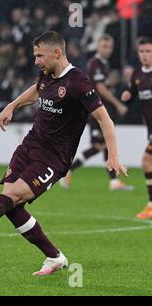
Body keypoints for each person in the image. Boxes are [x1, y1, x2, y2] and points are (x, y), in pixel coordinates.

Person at [0, 31, 128, 276]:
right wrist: (12, 105)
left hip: (53, 158)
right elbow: (37, 90)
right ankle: (54, 257)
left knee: (8, 200)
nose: (36, 61)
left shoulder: (78, 82)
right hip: (28, 146)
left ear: (57, 53)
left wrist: (113, 155)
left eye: (39, 56)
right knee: (11, 206)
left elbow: (104, 119)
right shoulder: (46, 74)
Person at [61, 34, 132, 190]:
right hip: (95, 110)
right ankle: (67, 170)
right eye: (104, 46)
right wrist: (118, 104)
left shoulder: (103, 64)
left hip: (101, 109)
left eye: (110, 47)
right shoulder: (96, 64)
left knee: (106, 144)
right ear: (98, 47)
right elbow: (100, 88)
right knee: (99, 145)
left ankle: (113, 182)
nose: (107, 49)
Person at [121, 37, 152, 219]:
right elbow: (133, 91)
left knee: (146, 161)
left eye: (148, 51)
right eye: (142, 51)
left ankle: (150, 205)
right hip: (149, 128)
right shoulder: (137, 74)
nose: (145, 55)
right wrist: (127, 94)